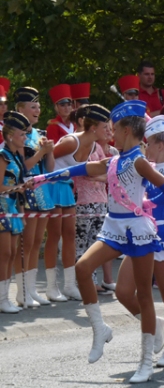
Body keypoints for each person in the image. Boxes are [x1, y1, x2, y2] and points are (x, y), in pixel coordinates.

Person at [32, 100, 164, 383]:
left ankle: (146, 361)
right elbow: (80, 170)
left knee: (145, 296)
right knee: (83, 268)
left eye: (115, 129)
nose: (112, 134)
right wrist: (43, 177)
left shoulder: (138, 161)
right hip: (114, 227)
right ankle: (100, 328)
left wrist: (147, 205)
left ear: (127, 131)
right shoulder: (114, 160)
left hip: (137, 230)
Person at [115, 115, 164, 368]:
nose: (144, 146)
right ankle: (155, 325)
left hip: (161, 239)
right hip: (139, 236)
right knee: (124, 291)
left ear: (160, 145)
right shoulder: (144, 166)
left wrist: (163, 214)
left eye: (148, 143)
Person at [15, 87, 56, 308]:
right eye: (33, 106)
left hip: (42, 190)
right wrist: (40, 153)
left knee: (37, 242)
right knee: (27, 243)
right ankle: (22, 291)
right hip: (26, 188)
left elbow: (49, 168)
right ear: (20, 109)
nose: (37, 110)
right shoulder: (17, 135)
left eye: (39, 107)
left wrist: (48, 151)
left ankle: (31, 290)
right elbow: (22, 167)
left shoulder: (40, 134)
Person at [72, 106, 115, 293]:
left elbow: (106, 173)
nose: (107, 131)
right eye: (104, 127)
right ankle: (79, 282)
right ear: (92, 128)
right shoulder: (80, 143)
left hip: (100, 200)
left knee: (94, 244)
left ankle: (93, 280)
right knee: (81, 244)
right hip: (82, 201)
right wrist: (100, 173)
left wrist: (99, 174)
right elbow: (84, 170)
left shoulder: (98, 147)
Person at [45, 84, 80, 302]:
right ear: (56, 107)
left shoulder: (77, 126)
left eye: (69, 102)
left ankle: (69, 284)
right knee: (54, 234)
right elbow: (52, 155)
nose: (66, 106)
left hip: (69, 183)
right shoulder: (53, 127)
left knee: (69, 234)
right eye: (62, 103)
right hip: (54, 182)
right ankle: (51, 286)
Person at [0, 111, 31, 313]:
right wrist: (16, 189)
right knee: (5, 253)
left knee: (11, 255)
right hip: (1, 206)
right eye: (22, 134)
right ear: (10, 135)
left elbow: (18, 186)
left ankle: (5, 298)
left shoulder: (16, 156)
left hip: (12, 206)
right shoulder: (2, 156)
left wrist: (22, 212)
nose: (25, 138)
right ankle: (2, 299)